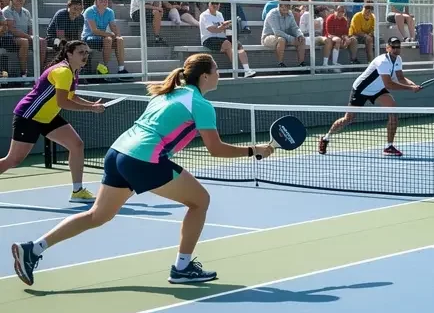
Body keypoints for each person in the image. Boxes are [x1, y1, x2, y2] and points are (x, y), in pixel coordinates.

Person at [10, 54, 275, 287]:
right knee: (201, 201)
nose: (219, 74)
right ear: (205, 76)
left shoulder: (168, 93)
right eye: (217, 70)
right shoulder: (200, 104)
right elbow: (215, 149)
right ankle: (182, 267)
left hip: (117, 153)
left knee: (97, 216)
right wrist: (254, 150)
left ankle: (33, 249)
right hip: (143, 159)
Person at [0, 40, 104, 203]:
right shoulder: (63, 72)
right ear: (69, 54)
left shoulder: (73, 70)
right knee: (13, 160)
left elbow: (72, 96)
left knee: (77, 145)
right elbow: (63, 102)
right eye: (81, 52)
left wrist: (92, 104)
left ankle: (77, 191)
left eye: (86, 52)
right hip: (29, 116)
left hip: (48, 117)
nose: (85, 56)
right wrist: (90, 109)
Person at [317, 37, 423, 157]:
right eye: (393, 47)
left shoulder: (398, 59)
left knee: (393, 110)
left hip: (377, 90)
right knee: (348, 118)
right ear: (387, 48)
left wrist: (413, 85)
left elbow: (400, 78)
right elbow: (389, 84)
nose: (395, 49)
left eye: (398, 46)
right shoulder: (382, 61)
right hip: (361, 90)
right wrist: (410, 89)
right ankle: (326, 138)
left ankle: (389, 146)